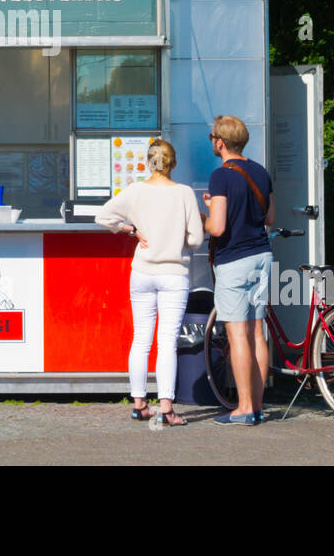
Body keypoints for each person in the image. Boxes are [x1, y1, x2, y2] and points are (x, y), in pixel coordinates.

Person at [96, 139, 204, 427]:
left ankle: (140, 405)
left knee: (141, 339)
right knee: (166, 341)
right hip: (173, 274)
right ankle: (167, 408)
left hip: (141, 273)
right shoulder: (184, 193)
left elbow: (102, 216)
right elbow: (195, 240)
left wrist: (129, 229)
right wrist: (176, 236)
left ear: (148, 162)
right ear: (173, 163)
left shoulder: (136, 191)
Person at [203, 115, 276, 426]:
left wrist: (205, 215)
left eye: (213, 139)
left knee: (237, 335)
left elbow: (218, 227)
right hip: (262, 256)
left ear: (220, 142)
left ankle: (243, 408)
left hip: (234, 261)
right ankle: (257, 406)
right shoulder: (260, 172)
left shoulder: (220, 176)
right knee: (257, 333)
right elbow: (270, 217)